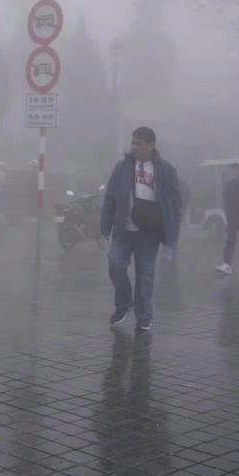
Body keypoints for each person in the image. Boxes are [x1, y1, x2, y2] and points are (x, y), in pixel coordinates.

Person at [100, 126, 183, 333]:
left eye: (140, 143)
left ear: (151, 145)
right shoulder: (122, 167)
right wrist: (105, 225)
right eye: (133, 143)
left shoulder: (165, 169)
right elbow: (110, 196)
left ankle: (144, 315)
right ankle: (124, 303)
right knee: (115, 266)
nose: (135, 147)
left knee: (145, 275)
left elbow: (175, 204)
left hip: (149, 232)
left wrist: (172, 232)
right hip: (123, 229)